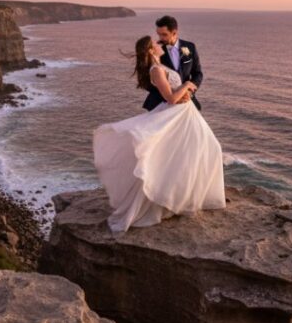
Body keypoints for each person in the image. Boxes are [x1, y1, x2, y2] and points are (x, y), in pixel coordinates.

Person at [92, 33, 226, 234]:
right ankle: (173, 199)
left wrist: (185, 92)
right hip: (176, 115)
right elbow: (170, 98)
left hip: (185, 114)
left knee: (198, 152)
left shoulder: (160, 66)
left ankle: (187, 196)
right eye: (154, 43)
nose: (158, 42)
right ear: (150, 50)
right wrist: (188, 86)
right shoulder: (156, 70)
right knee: (196, 152)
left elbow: (174, 93)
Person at [143, 15, 203, 112]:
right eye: (159, 34)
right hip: (161, 105)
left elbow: (198, 73)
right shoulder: (155, 50)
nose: (160, 38)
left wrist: (189, 91)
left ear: (174, 32)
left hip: (186, 101)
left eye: (164, 34)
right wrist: (170, 95)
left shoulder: (190, 47)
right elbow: (147, 81)